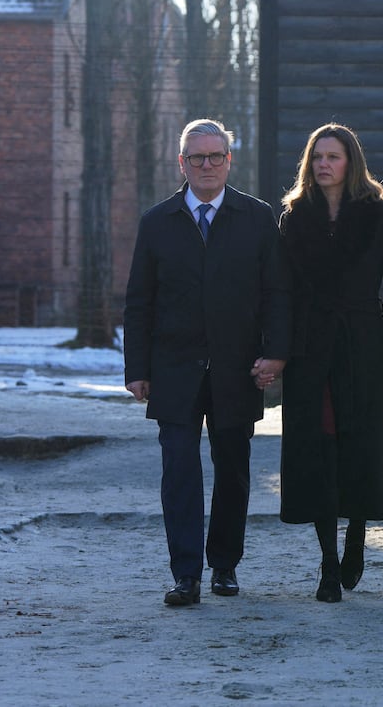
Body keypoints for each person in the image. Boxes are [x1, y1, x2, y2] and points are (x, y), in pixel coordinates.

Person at [123, 118, 291, 607]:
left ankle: (224, 566)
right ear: (182, 163)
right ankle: (186, 575)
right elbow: (139, 301)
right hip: (172, 368)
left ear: (229, 160)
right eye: (197, 158)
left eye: (216, 156)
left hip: (238, 367)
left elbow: (277, 294)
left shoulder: (257, 219)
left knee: (233, 469)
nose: (207, 165)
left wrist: (275, 354)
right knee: (178, 470)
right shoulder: (158, 222)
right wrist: (137, 368)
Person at [278, 124, 383, 603]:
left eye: (334, 156)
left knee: (361, 445)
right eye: (317, 156)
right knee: (319, 448)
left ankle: (357, 535)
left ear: (351, 161)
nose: (324, 164)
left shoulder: (379, 215)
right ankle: (326, 563)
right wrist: (276, 351)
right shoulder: (295, 217)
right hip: (311, 349)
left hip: (363, 343)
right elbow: (280, 294)